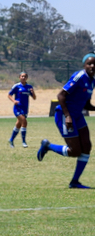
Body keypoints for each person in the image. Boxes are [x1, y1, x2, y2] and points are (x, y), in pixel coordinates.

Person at [37, 54, 95, 188]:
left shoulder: (92, 81)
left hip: (77, 115)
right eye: (89, 63)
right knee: (75, 151)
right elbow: (61, 95)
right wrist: (68, 116)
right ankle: (48, 146)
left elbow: (86, 104)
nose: (92, 66)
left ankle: (75, 182)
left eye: (94, 64)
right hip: (65, 115)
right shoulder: (79, 76)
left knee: (87, 146)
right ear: (84, 65)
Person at [8, 72, 36, 147]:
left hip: (25, 108)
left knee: (19, 124)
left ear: (27, 78)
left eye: (25, 76)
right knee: (24, 121)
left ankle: (11, 140)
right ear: (19, 77)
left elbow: (34, 98)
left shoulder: (29, 87)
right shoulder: (16, 86)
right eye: (22, 76)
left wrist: (33, 93)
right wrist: (14, 101)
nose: (23, 77)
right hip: (18, 108)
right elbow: (9, 95)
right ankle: (24, 142)